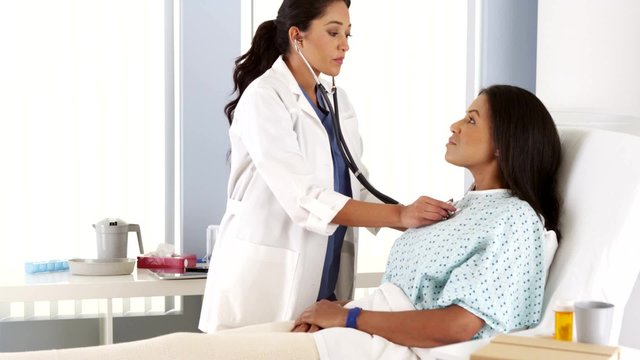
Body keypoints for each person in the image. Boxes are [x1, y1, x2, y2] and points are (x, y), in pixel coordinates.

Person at [1, 85, 562, 360]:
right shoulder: (457, 210)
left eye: (471, 118)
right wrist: (353, 310)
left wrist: (351, 314)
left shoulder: (513, 220)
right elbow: (304, 194)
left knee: (175, 355)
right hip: (358, 330)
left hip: (377, 344)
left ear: (508, 141)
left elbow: (460, 327)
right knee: (174, 348)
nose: (454, 123)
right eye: (335, 32)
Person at [199, 0, 455, 332]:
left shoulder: (338, 101)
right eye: (333, 32)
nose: (344, 44)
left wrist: (420, 220)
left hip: (325, 285)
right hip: (264, 289)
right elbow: (304, 198)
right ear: (297, 36)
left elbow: (358, 188)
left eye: (348, 34)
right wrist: (400, 214)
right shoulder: (265, 97)